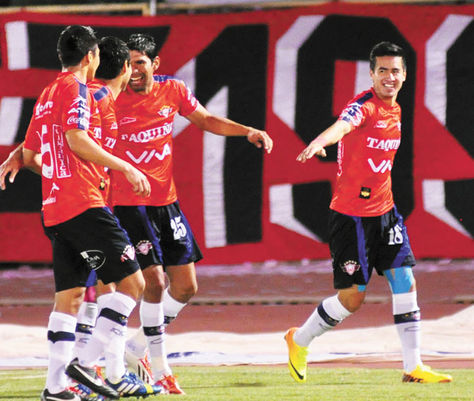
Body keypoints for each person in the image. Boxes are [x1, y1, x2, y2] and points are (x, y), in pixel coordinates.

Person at [110, 33, 273, 394]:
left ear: (155, 64)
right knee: (154, 283)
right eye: (127, 63)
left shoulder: (173, 90)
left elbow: (206, 119)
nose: (133, 70)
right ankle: (161, 368)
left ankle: (136, 346)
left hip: (166, 202)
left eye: (140, 62)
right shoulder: (109, 95)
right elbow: (69, 127)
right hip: (127, 203)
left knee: (185, 287)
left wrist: (247, 132)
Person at [285, 41, 453, 384]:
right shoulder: (364, 106)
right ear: (371, 74)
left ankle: (413, 366)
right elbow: (344, 125)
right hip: (352, 218)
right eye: (382, 71)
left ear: (404, 75)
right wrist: (322, 141)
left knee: (405, 280)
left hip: (386, 211)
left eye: (395, 71)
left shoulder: (397, 108)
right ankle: (298, 339)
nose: (389, 77)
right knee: (352, 299)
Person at [21, 25, 156, 401]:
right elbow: (76, 139)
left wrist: (26, 162)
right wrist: (126, 168)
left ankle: (56, 387)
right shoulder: (76, 89)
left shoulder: (48, 92)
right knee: (133, 284)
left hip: (55, 207)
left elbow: (33, 156)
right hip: (82, 203)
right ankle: (84, 362)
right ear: (89, 57)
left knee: (70, 299)